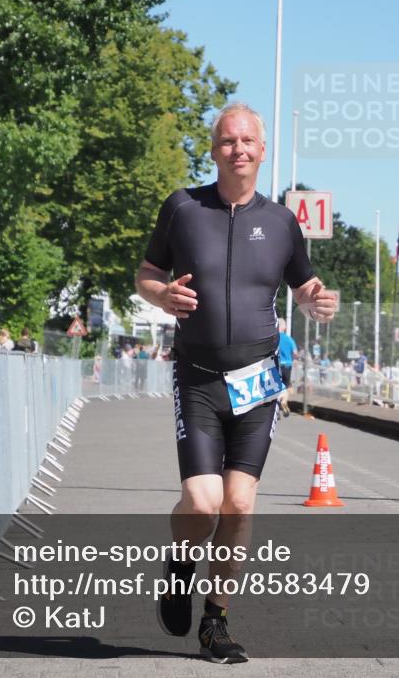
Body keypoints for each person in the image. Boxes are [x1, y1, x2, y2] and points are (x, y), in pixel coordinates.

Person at [134, 102, 337, 664]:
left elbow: (304, 284)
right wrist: (162, 294)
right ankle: (180, 566)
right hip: (198, 378)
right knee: (203, 503)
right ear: (214, 149)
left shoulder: (281, 222)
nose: (238, 149)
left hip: (257, 386)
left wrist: (319, 301)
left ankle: (215, 623)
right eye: (227, 141)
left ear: (262, 150)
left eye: (248, 140)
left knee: (240, 505)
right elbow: (146, 275)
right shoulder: (182, 208)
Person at [276, 318, 297, 418]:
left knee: (276, 386)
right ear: (284, 327)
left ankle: (276, 408)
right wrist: (292, 359)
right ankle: (284, 401)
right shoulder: (289, 339)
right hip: (287, 366)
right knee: (287, 386)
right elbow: (295, 353)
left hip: (277, 365)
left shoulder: (274, 338)